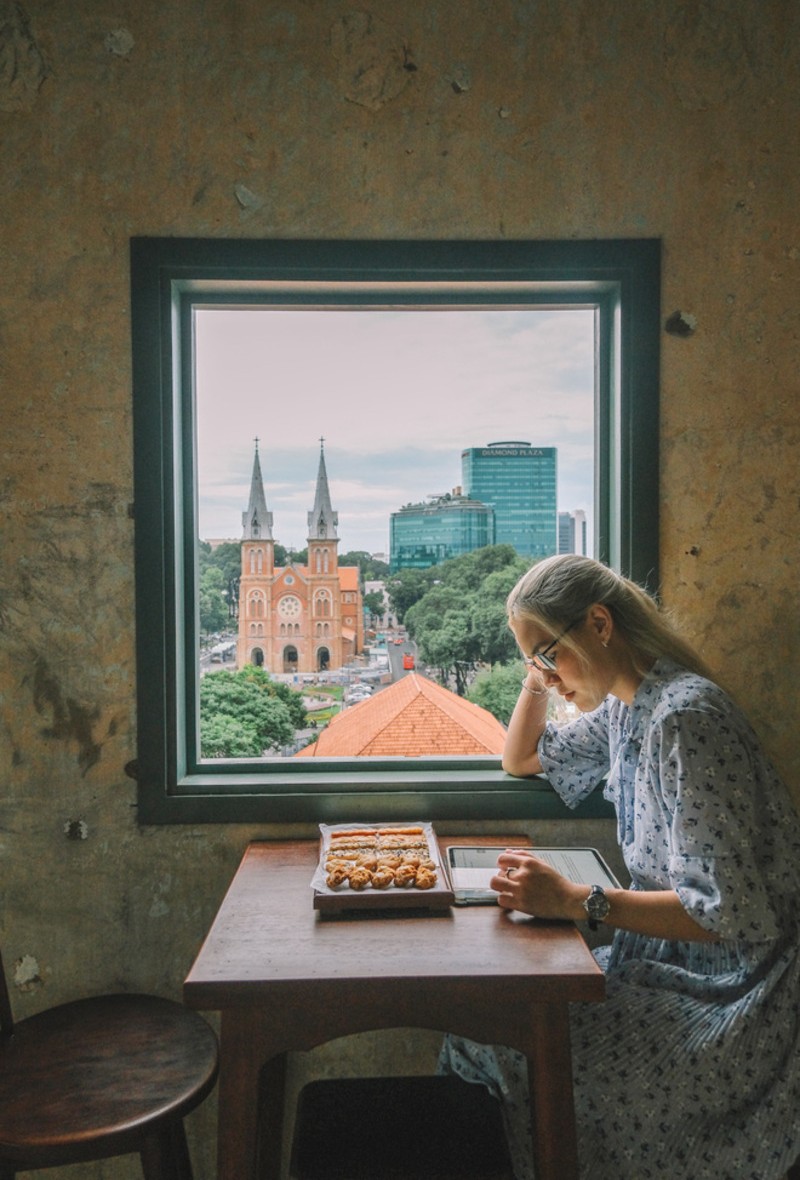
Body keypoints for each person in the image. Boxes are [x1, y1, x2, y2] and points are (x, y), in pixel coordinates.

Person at [438, 555, 800, 1180]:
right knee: (481, 1024)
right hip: (668, 963)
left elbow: (726, 914)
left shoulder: (687, 720)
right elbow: (519, 758)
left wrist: (576, 901)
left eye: (550, 655)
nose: (548, 677)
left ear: (600, 624)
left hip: (739, 992)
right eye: (535, 663)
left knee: (498, 1043)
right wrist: (539, 672)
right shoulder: (626, 710)